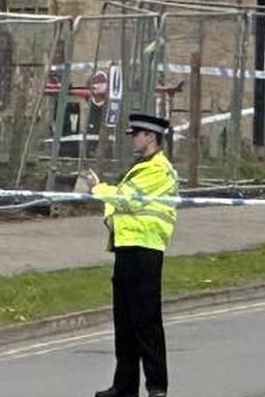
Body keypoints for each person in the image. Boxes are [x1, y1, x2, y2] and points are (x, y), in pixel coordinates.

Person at [77, 112, 179, 397]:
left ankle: (157, 387)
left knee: (146, 322)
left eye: (136, 134)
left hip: (145, 251)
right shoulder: (140, 166)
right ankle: (125, 385)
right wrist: (111, 202)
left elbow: (127, 200)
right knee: (125, 322)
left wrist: (98, 188)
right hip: (126, 248)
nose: (133, 138)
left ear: (150, 136)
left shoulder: (159, 169)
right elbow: (118, 203)